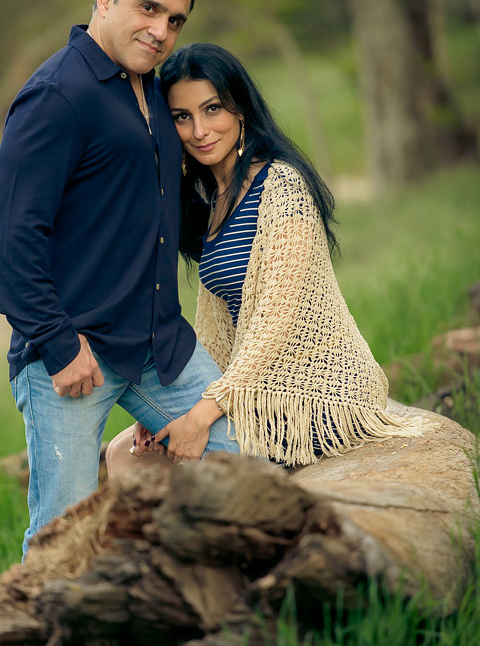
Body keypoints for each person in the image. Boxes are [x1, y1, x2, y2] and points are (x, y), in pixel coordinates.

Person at [0, 0, 243, 559]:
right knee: (64, 541)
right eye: (148, 7)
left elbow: (153, 207)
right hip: (75, 359)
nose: (161, 30)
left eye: (175, 19)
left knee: (244, 469)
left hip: (160, 345)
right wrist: (57, 344)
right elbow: (11, 241)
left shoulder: (153, 89)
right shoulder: (57, 95)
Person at [107, 43, 423, 475]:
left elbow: (275, 318)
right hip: (255, 387)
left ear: (240, 109)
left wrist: (200, 412)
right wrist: (168, 407)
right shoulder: (214, 200)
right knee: (125, 451)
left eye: (212, 108)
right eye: (182, 117)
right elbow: (216, 331)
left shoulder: (281, 186)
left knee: (159, 464)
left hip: (314, 393)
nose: (200, 130)